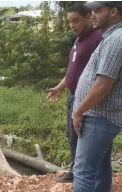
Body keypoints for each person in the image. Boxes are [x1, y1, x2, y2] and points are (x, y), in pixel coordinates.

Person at [46, 2, 102, 183]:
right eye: (70, 21)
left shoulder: (97, 38)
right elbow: (73, 71)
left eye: (76, 21)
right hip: (73, 95)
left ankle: (83, 175)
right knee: (72, 134)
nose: (72, 25)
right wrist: (60, 87)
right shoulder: (79, 39)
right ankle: (76, 169)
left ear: (88, 17)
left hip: (86, 97)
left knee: (82, 135)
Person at [71, 1, 122, 191]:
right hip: (101, 117)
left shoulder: (116, 39)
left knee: (83, 171)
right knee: (100, 168)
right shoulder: (111, 37)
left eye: (98, 11)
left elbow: (102, 86)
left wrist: (79, 112)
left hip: (98, 117)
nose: (93, 15)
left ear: (114, 11)